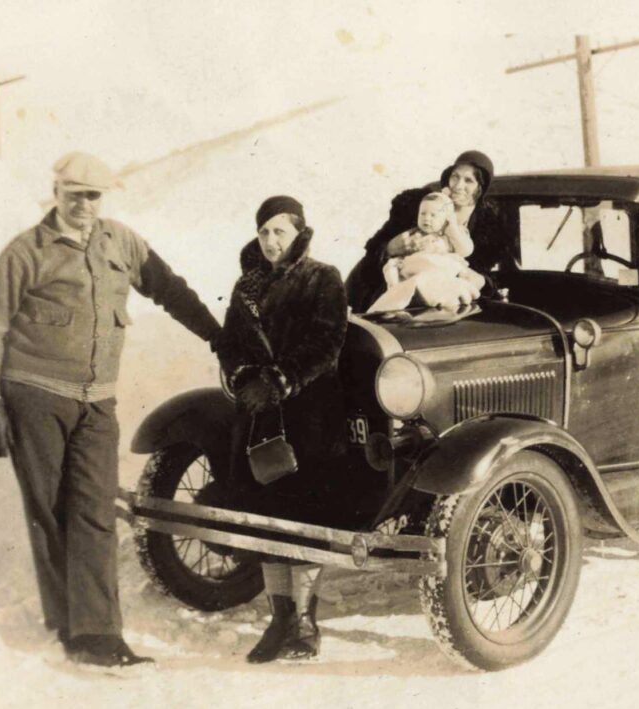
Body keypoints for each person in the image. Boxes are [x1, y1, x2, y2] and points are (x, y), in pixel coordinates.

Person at [0, 152, 222, 667]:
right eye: (75, 194)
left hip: (96, 401)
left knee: (95, 513)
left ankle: (99, 634)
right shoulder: (26, 252)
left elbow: (169, 290)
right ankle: (69, 626)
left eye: (94, 195)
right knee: (49, 512)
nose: (85, 204)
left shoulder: (121, 241)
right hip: (34, 394)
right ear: (56, 192)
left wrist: (217, 336)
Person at [217, 196, 350, 663]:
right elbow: (230, 343)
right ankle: (280, 621)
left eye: (280, 232)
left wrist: (280, 378)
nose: (271, 241)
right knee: (266, 518)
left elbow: (327, 343)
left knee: (303, 518)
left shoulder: (322, 279)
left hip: (308, 415)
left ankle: (307, 625)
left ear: (299, 233)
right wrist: (243, 378)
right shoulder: (246, 286)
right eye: (264, 232)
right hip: (259, 414)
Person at [345, 149, 511, 312]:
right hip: (395, 288)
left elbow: (490, 276)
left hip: (447, 303)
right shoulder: (418, 205)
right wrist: (390, 248)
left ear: (480, 188)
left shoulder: (488, 227)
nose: (459, 186)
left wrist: (481, 281)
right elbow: (372, 253)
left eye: (469, 181)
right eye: (455, 177)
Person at [369, 191, 486, 313]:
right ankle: (396, 294)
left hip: (440, 272)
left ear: (446, 219)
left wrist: (452, 228)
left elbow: (466, 250)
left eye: (433, 215)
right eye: (422, 214)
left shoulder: (450, 236)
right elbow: (399, 252)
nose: (426, 218)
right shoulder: (414, 234)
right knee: (393, 270)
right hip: (416, 271)